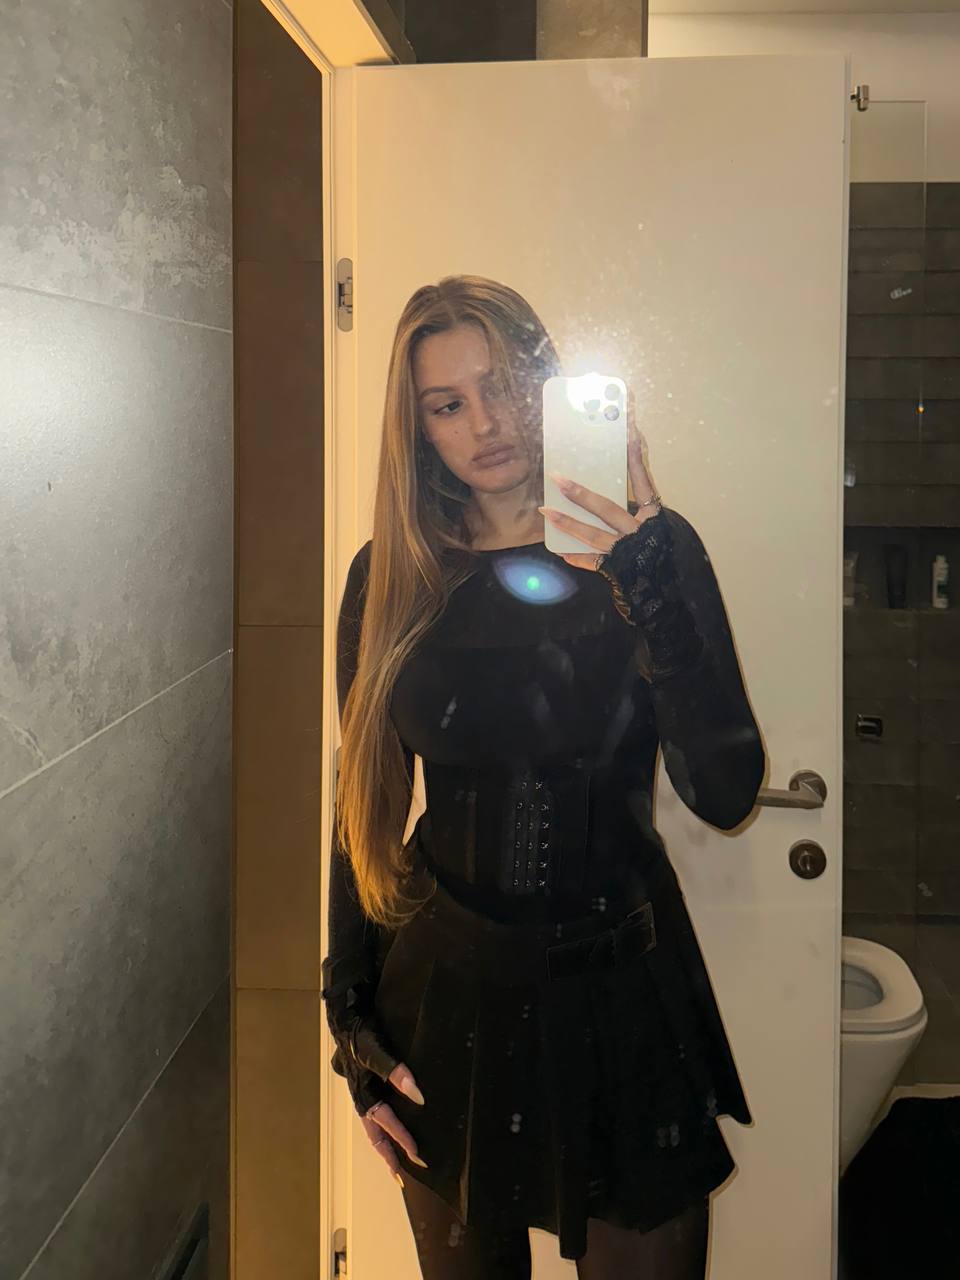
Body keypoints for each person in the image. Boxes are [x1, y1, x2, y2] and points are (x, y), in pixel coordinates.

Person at [321, 275, 766, 1279]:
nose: (486, 424)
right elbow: (363, 808)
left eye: (504, 386)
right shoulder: (391, 576)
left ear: (545, 381)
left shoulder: (650, 554)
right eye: (447, 404)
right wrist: (348, 1016)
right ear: (418, 430)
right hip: (443, 1007)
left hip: (623, 1000)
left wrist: (644, 581)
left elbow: (726, 789)